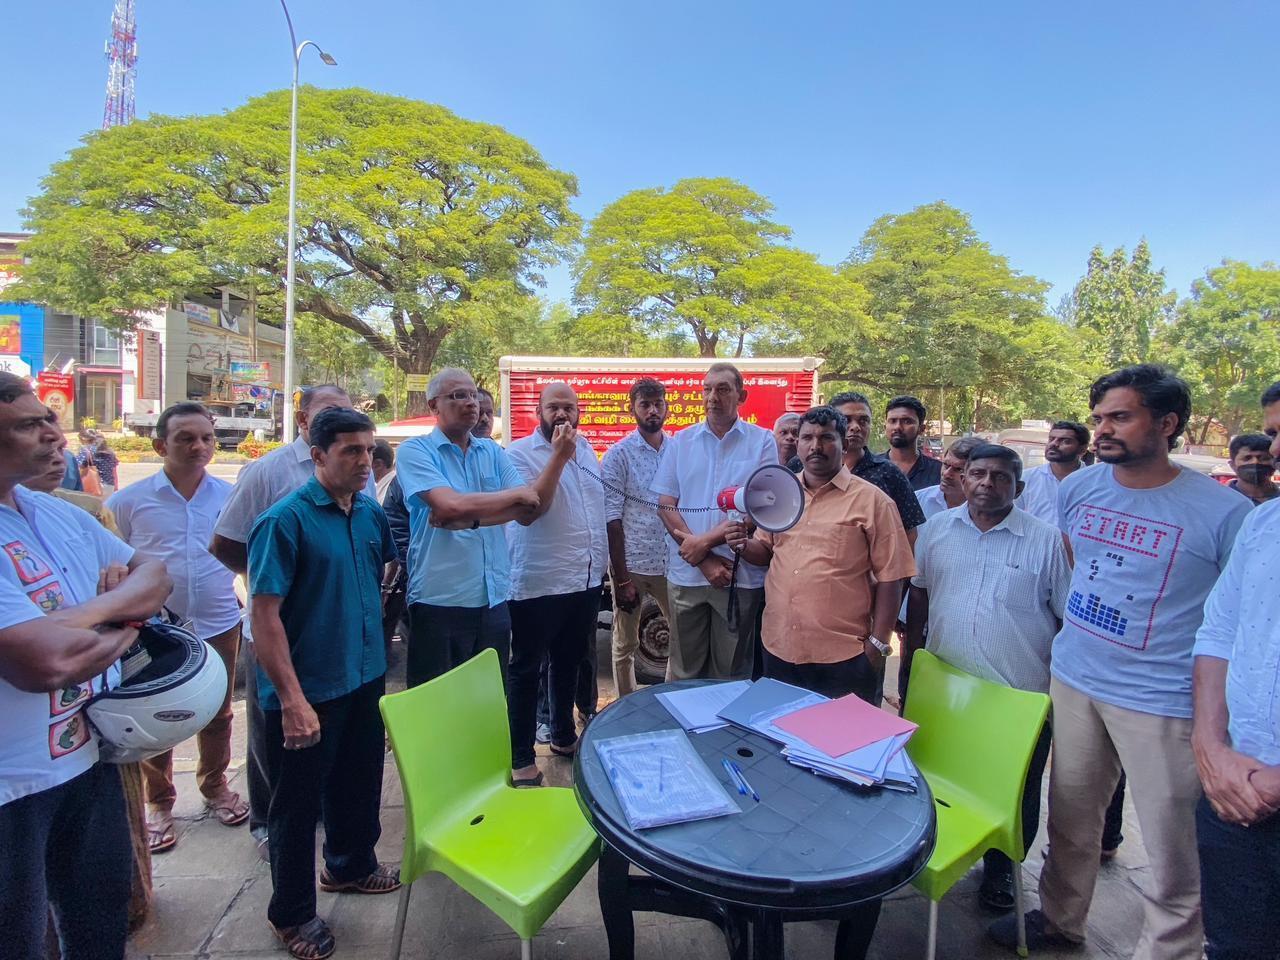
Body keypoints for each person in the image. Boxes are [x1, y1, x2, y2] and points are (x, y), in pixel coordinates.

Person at [991, 364, 1252, 959]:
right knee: (1070, 818)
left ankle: (1168, 950)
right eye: (1099, 418)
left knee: (1173, 847)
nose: (1104, 429)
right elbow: (1076, 560)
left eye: (1120, 417)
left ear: (1167, 423)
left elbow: (1238, 615)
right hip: (1076, 680)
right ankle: (1060, 920)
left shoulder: (1223, 513)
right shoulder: (1081, 488)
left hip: (1164, 701)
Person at [0, 372, 171, 960]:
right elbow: (45, 663)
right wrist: (128, 620)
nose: (55, 434)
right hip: (13, 786)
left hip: (88, 760)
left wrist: (94, 617)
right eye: (30, 425)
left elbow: (155, 575)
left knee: (99, 924)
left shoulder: (54, 512)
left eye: (50, 420)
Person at [248, 407, 400, 960]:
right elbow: (264, 617)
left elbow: (384, 571)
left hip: (363, 675)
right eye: (350, 451)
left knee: (358, 780)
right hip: (306, 690)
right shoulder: (283, 522)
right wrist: (291, 700)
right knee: (296, 807)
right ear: (317, 455)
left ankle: (350, 865)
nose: (365, 461)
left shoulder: (368, 511)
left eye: (369, 449)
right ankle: (291, 914)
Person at [906, 443, 1070, 912]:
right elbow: (919, 595)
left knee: (1014, 789)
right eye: (977, 474)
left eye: (1000, 476)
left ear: (1019, 487)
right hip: (947, 688)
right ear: (963, 479)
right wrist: (912, 661)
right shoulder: (936, 530)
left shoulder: (1046, 541)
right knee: (940, 774)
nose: (986, 483)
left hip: (1016, 694)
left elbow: (1066, 619)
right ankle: (928, 848)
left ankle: (1002, 872)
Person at [211, 384, 369, 858]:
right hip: (283, 636)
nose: (363, 459)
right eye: (330, 412)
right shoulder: (271, 479)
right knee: (280, 751)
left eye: (366, 449)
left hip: (343, 647)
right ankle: (271, 833)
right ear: (306, 425)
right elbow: (226, 543)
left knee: (338, 761)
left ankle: (341, 855)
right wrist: (278, 581)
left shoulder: (360, 495)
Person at [109, 403, 247, 854]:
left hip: (219, 619)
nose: (198, 446)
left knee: (219, 712)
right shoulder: (129, 501)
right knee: (156, 716)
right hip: (154, 630)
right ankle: (159, 802)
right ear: (159, 444)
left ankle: (215, 785)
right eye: (185, 438)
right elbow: (110, 560)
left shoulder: (228, 495)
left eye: (206, 438)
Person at [728, 406, 913, 702]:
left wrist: (877, 645)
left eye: (826, 437)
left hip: (844, 657)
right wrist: (742, 544)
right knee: (778, 727)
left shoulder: (873, 502)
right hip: (778, 647)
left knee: (839, 733)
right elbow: (764, 551)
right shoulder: (780, 494)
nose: (816, 446)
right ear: (798, 443)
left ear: (844, 443)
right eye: (807, 438)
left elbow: (892, 577)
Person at [1191, 384, 1280, 960]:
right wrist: (1209, 746)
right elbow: (1218, 633)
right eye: (1272, 433)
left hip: (1259, 787)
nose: (1274, 450)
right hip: (1231, 786)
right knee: (1234, 943)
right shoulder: (1263, 523)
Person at [394, 368, 547, 688]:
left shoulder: (491, 451)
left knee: (487, 701)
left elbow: (528, 510)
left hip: (493, 600)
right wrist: (512, 496)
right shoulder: (415, 451)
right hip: (439, 601)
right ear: (434, 406)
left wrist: (470, 519)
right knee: (437, 704)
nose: (471, 402)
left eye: (473, 395)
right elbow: (448, 506)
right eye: (458, 396)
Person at [505, 383, 605, 787]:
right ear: (539, 412)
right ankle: (521, 757)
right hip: (538, 581)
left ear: (579, 412)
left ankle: (563, 737)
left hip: (583, 579)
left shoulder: (588, 451)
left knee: (569, 663)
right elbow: (532, 510)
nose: (562, 414)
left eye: (569, 407)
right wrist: (560, 457)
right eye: (553, 407)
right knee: (527, 669)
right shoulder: (517, 454)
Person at [652, 363, 777, 681]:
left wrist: (705, 542)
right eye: (707, 389)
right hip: (688, 575)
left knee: (731, 674)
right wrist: (704, 559)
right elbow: (665, 504)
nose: (712, 397)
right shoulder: (680, 442)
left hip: (738, 576)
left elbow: (764, 505)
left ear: (741, 396)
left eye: (722, 389)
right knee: (685, 673)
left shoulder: (762, 441)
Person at [601, 378, 671, 698]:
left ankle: (667, 703)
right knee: (625, 643)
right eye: (645, 404)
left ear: (666, 407)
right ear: (633, 409)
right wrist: (622, 578)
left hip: (671, 564)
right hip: (632, 564)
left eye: (658, 403)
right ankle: (625, 705)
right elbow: (612, 519)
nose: (652, 410)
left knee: (680, 641)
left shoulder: (677, 451)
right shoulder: (619, 455)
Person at [1016, 420, 1090, 524]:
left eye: (1065, 441)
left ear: (1082, 449)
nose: (1054, 444)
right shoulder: (1026, 478)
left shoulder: (1094, 482)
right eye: (1051, 439)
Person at [885, 395, 942, 490]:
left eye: (907, 421)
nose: (897, 427)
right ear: (885, 427)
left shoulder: (939, 472)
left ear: (921, 429)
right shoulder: (870, 468)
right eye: (893, 421)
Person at [1225, 432, 1277, 506]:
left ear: (1274, 464)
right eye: (1247, 458)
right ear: (1232, 465)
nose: (1255, 462)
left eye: (1264, 458)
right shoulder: (1221, 499)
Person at [77, 429, 120, 497]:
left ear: (83, 439)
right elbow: (113, 470)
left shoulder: (86, 450)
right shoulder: (109, 451)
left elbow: (81, 470)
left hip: (94, 486)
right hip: (110, 486)